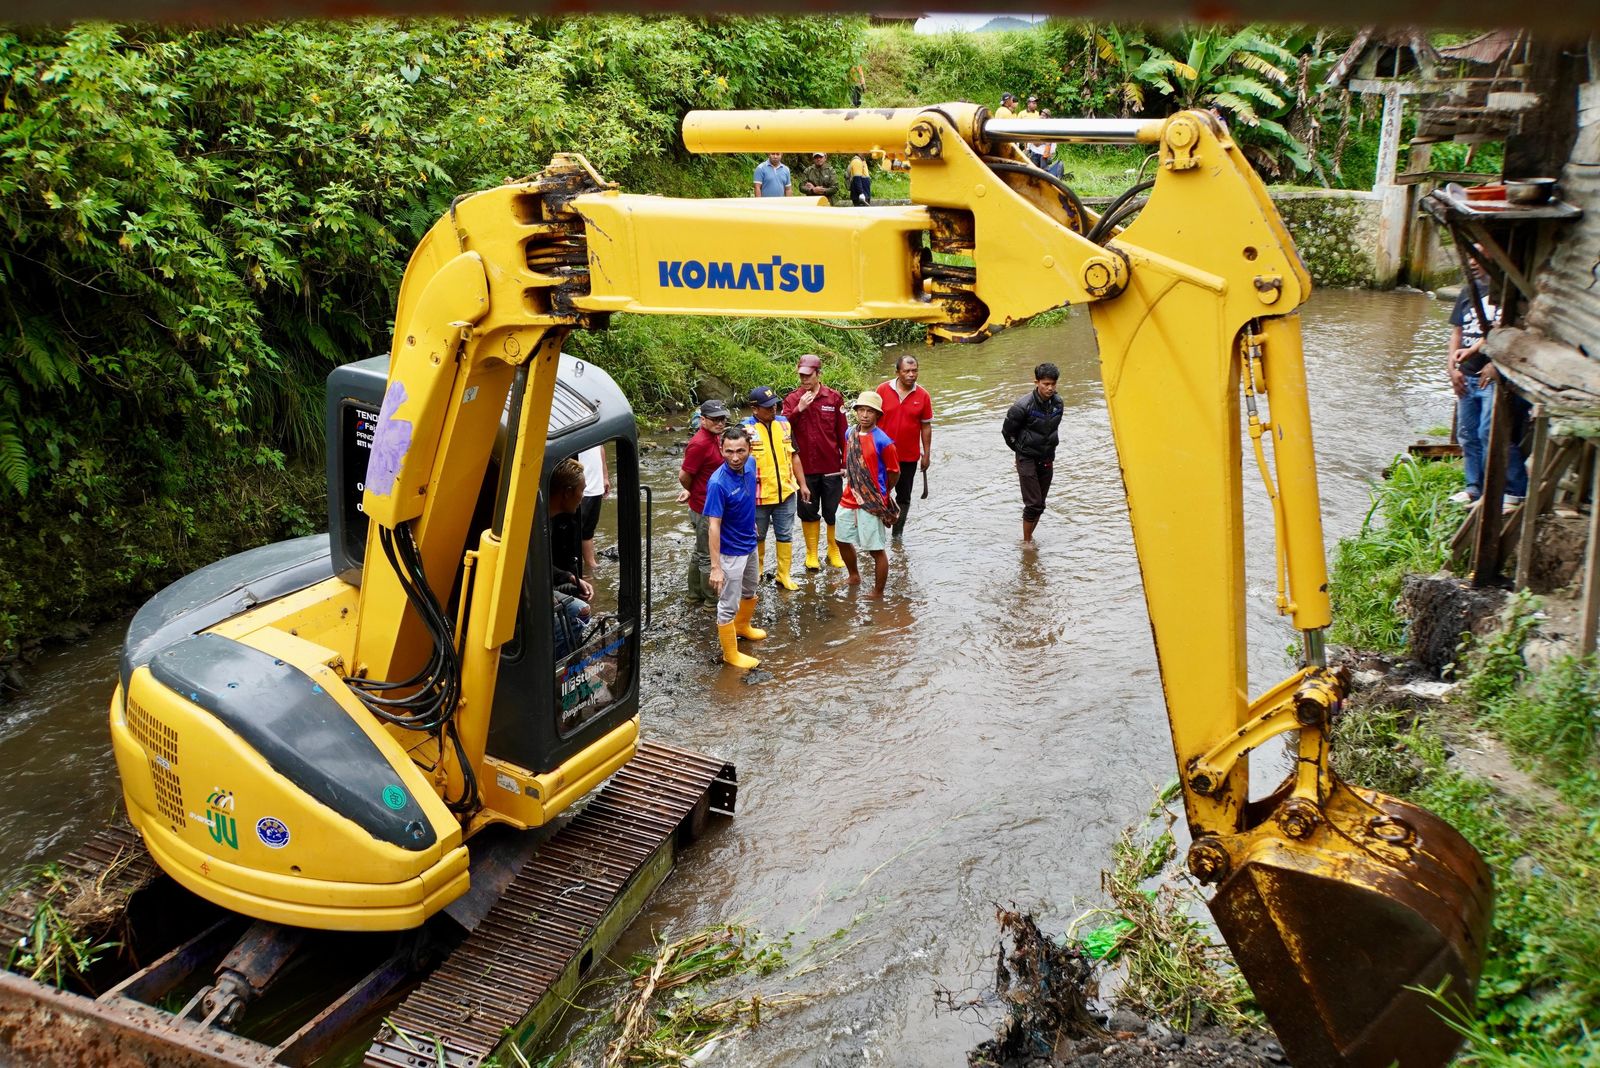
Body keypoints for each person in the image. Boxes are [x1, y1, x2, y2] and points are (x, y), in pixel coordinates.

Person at [1448, 264, 1528, 506]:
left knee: (1490, 432)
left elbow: (1506, 332)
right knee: (1467, 434)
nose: (1472, 262)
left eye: (1479, 255)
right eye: (1470, 256)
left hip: (1492, 376)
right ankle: (1474, 488)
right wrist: (1452, 369)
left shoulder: (1508, 294)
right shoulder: (1467, 291)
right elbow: (1457, 333)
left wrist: (1495, 363)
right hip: (1467, 374)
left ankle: (1514, 489)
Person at [704, 427, 765, 670]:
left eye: (740, 450)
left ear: (749, 448)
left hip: (749, 542)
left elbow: (748, 499)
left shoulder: (750, 465)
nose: (735, 457)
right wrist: (716, 567)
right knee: (728, 603)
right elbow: (713, 526)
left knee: (750, 588)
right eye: (729, 452)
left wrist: (751, 524)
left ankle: (743, 627)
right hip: (730, 552)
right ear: (721, 450)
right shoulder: (718, 483)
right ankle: (730, 653)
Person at [782, 354, 849, 571]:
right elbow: (782, 430)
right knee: (808, 511)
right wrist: (798, 410)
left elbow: (843, 434)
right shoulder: (792, 400)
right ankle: (812, 553)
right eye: (801, 376)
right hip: (804, 468)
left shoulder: (834, 398)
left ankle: (834, 550)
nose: (804, 380)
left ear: (818, 374)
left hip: (831, 467)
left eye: (808, 376)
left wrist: (845, 462)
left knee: (833, 511)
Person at [743, 386, 810, 590]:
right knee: (757, 536)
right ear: (755, 409)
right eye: (768, 407)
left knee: (785, 534)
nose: (773, 410)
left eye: (775, 406)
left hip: (786, 493)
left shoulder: (784, 424)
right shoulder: (745, 429)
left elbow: (794, 455)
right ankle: (758, 572)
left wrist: (803, 484)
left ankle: (784, 575)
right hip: (758, 496)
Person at [837, 391, 899, 599]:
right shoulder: (850, 434)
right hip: (849, 495)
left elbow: (894, 472)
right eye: (861, 410)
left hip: (872, 500)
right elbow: (850, 459)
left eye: (869, 411)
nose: (864, 415)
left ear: (877, 415)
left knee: (875, 549)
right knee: (841, 539)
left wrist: (883, 492)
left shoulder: (884, 441)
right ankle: (854, 576)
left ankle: (878, 591)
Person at [1001, 362, 1064, 542]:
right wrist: (1020, 453)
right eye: (1046, 384)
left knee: (1041, 505)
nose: (1050, 388)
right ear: (1036, 382)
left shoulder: (1058, 403)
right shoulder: (1022, 407)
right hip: (1026, 458)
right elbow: (1007, 433)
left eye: (1053, 384)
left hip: (1047, 457)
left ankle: (1028, 537)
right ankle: (1027, 541)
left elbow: (1052, 430)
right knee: (1033, 504)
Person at [677, 399, 731, 605]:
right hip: (704, 507)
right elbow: (684, 475)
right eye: (715, 419)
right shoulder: (699, 443)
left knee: (700, 551)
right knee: (708, 554)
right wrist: (692, 491)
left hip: (708, 504)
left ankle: (694, 595)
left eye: (723, 419)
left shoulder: (714, 438)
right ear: (703, 420)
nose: (720, 423)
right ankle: (710, 601)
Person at [876, 354, 933, 543]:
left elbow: (926, 426)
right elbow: (870, 420)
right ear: (897, 372)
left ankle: (897, 534)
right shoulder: (882, 390)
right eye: (906, 371)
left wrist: (926, 454)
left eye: (914, 370)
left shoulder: (923, 395)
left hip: (909, 456)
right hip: (881, 455)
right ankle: (877, 533)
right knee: (879, 492)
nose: (911, 374)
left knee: (904, 496)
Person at [548, 458, 593, 601]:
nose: (583, 497)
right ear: (567, 492)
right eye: (582, 490)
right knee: (581, 611)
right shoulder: (537, 527)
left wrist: (571, 578)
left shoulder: (550, 520)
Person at [577, 445, 609, 574]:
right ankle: (575, 571)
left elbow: (600, 446)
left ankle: (590, 564)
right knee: (574, 532)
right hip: (580, 488)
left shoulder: (593, 424)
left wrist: (605, 476)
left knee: (588, 530)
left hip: (596, 486)